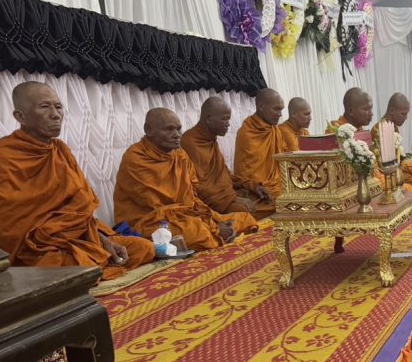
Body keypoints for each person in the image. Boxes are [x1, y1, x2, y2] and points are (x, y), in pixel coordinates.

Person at [0, 82, 154, 281]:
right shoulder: (3, 155)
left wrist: (105, 241)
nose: (55, 114)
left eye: (58, 107)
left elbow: (80, 213)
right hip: (38, 249)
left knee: (144, 248)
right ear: (20, 116)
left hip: (78, 239)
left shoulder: (61, 150)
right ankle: (92, 264)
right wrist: (56, 237)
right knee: (67, 266)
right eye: (44, 107)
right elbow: (7, 227)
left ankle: (94, 261)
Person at [114, 108, 258, 250]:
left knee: (245, 218)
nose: (177, 135)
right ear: (149, 130)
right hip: (150, 222)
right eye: (169, 129)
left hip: (185, 216)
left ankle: (214, 233)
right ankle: (214, 234)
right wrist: (212, 226)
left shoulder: (180, 155)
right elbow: (159, 208)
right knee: (199, 233)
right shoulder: (136, 159)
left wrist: (210, 218)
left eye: (178, 129)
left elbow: (192, 197)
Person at [181, 97, 273, 217]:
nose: (228, 124)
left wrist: (253, 186)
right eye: (224, 119)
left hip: (224, 195)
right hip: (211, 201)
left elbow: (225, 176)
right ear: (208, 119)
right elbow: (198, 187)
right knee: (244, 212)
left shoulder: (210, 139)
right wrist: (233, 199)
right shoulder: (190, 142)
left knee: (269, 200)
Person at [234, 88, 297, 217]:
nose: (280, 114)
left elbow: (284, 159)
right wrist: (257, 186)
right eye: (276, 109)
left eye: (281, 109)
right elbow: (243, 174)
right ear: (261, 106)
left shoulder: (275, 130)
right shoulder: (247, 133)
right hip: (257, 189)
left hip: (278, 184)